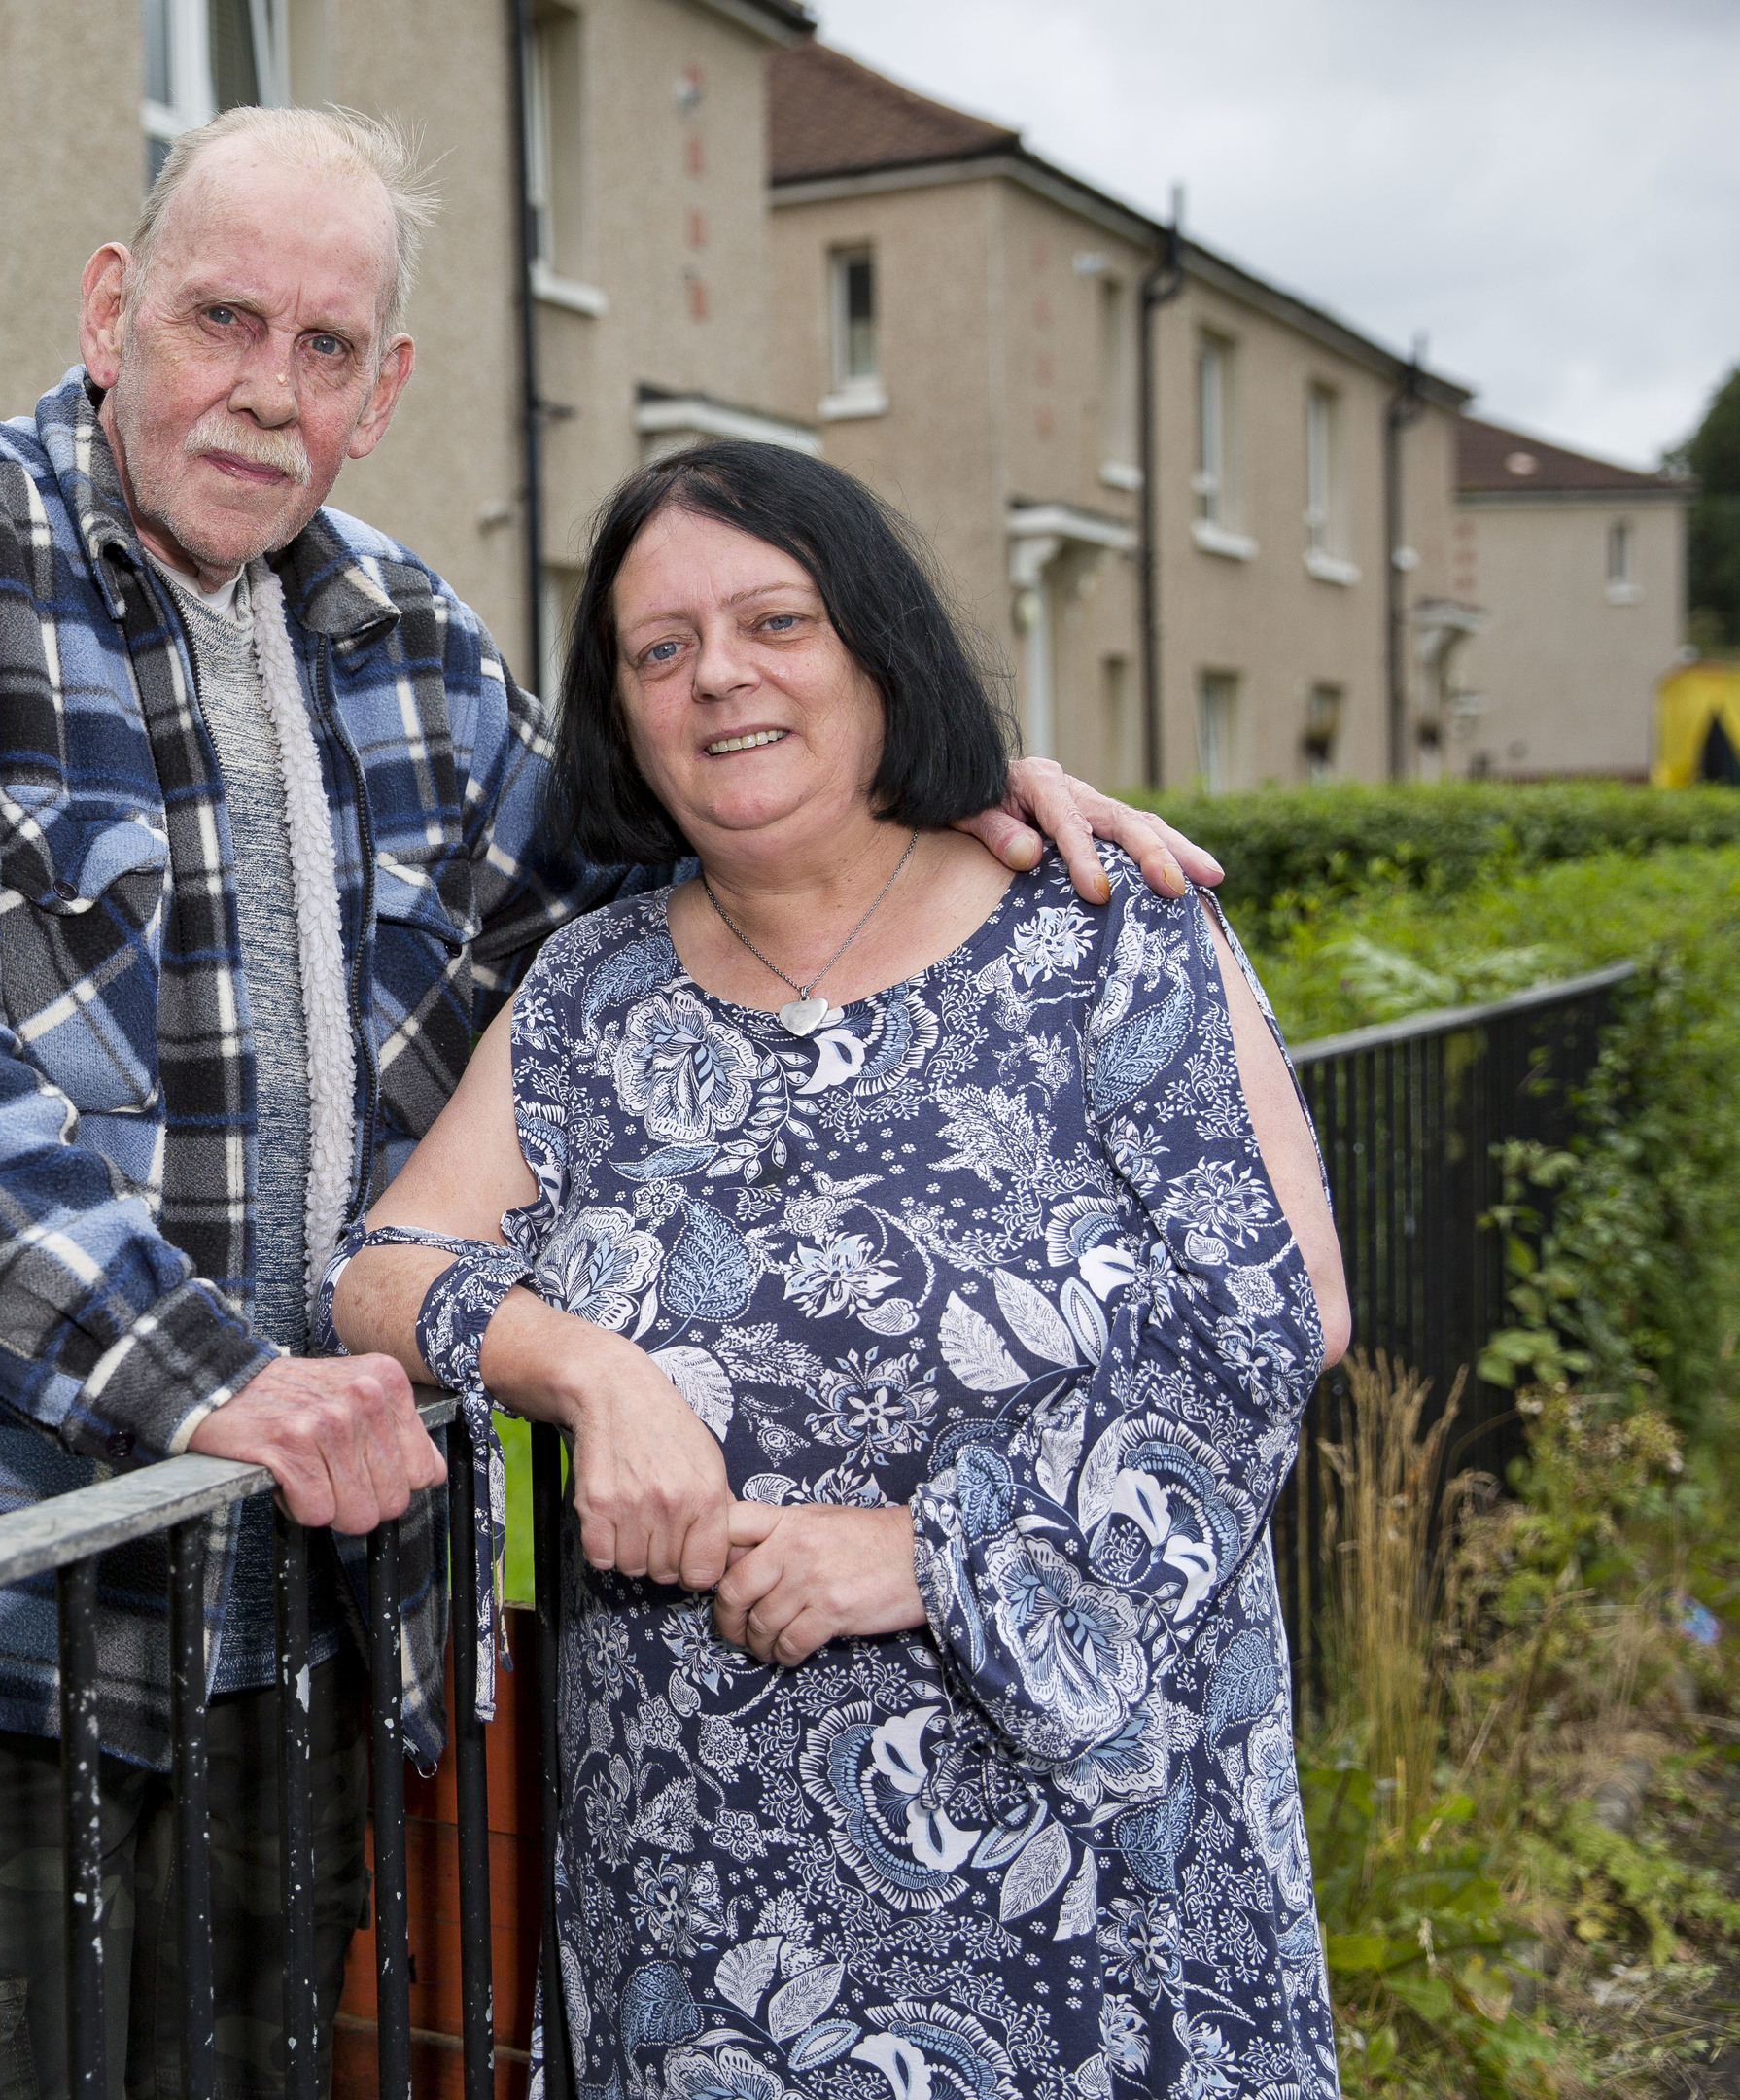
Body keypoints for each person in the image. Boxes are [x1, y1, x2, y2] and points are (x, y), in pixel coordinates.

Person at [0, 105, 1223, 2100]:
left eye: (322, 350)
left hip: (287, 1600)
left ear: (382, 390)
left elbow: (659, 901)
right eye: (220, 319)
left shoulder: (402, 640)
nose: (260, 391)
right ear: (111, 310)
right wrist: (212, 1376)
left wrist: (945, 806)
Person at [325, 443, 1350, 2099]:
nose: (717, 674)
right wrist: (589, 1370)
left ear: (876, 646)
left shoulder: (1100, 926)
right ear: (622, 715)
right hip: (708, 1921)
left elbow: (1273, 1314)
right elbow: (382, 1266)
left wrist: (943, 1555)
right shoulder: (587, 997)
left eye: (773, 620)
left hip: (1095, 1886)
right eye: (659, 650)